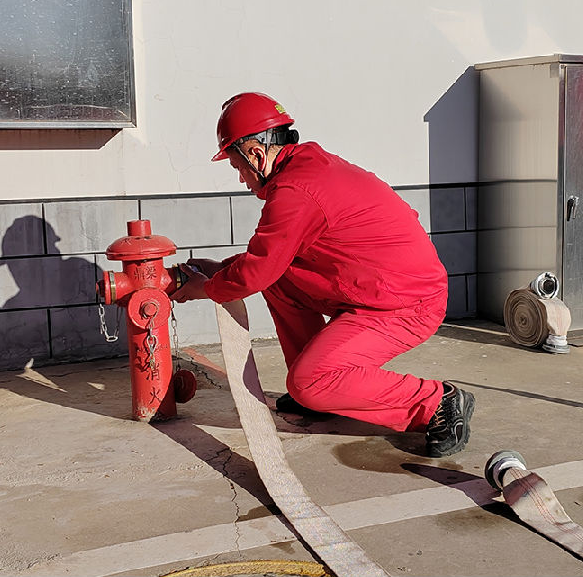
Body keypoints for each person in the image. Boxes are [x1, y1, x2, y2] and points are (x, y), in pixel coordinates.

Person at [171, 92, 474, 457]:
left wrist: (204, 288)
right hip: (380, 292)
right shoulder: (308, 171)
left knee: (309, 380)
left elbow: (255, 272)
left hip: (407, 305)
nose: (240, 179)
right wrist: (220, 270)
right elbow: (273, 258)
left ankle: (436, 402)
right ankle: (318, 395)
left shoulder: (297, 190)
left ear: (256, 154)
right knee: (280, 282)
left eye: (238, 167)